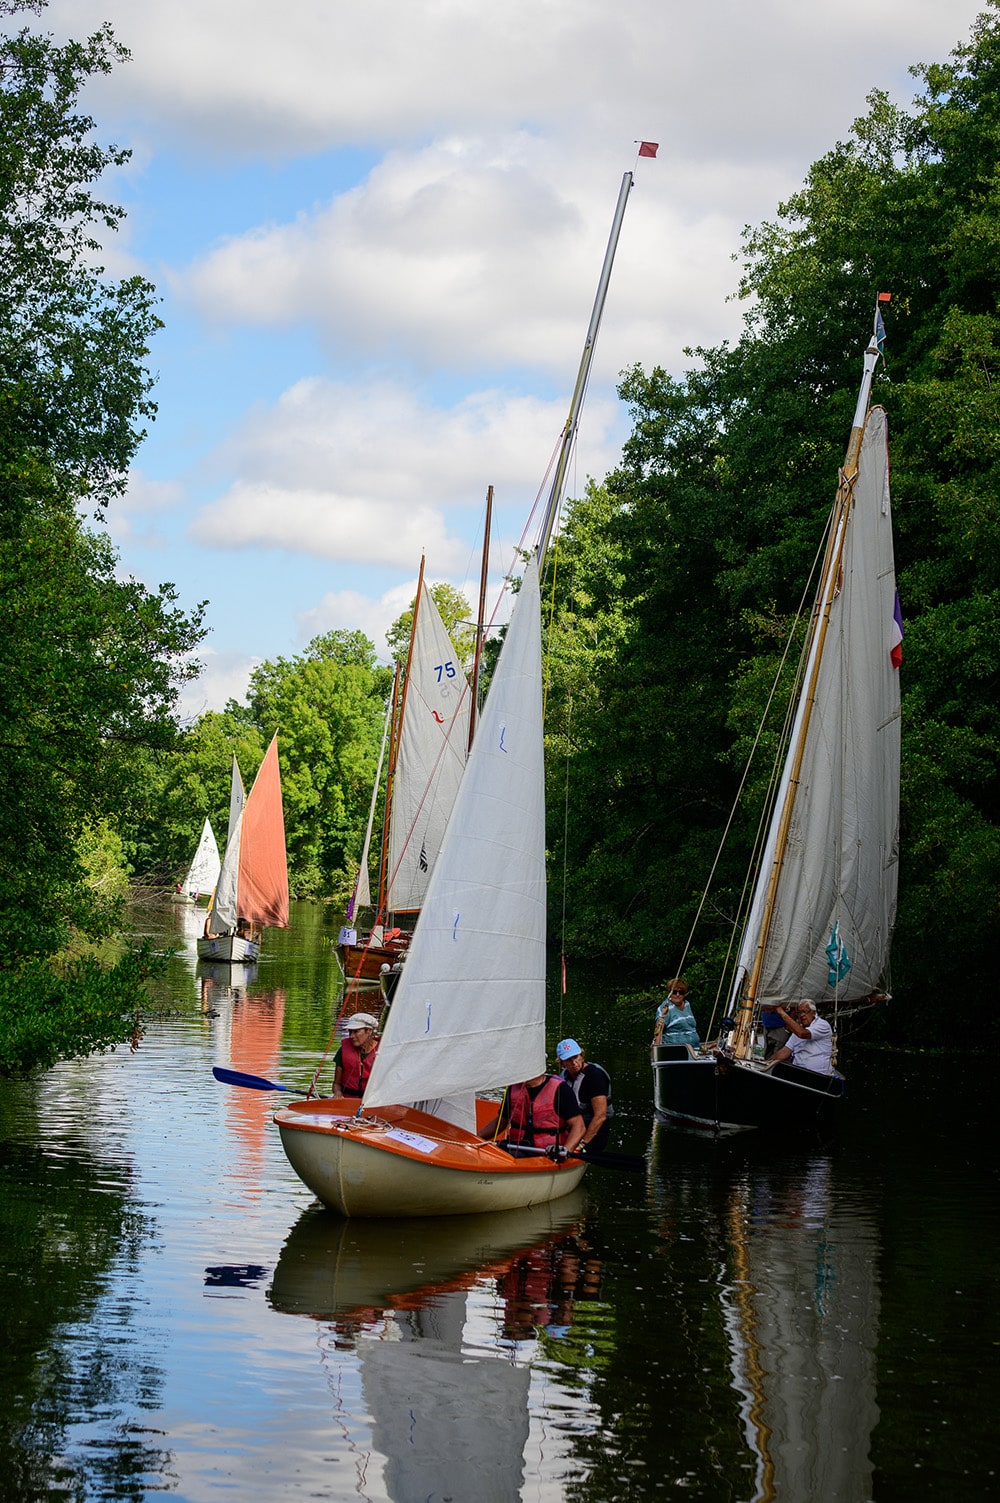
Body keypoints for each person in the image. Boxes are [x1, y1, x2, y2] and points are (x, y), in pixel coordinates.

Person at [479, 1072, 585, 1157]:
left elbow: (579, 1127)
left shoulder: (561, 1089)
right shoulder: (513, 1088)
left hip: (547, 1152)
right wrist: (475, 1138)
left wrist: (566, 1149)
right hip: (515, 1146)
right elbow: (501, 1121)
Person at [556, 1039, 612, 1153]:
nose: (574, 1063)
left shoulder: (595, 1076)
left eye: (575, 1057)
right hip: (573, 1127)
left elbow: (600, 1116)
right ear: (562, 1063)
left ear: (581, 1055)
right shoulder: (564, 1076)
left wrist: (581, 1144)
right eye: (568, 1060)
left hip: (594, 1130)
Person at [767, 999, 834, 1074]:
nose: (801, 1015)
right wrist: (766, 1063)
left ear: (814, 1013)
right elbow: (785, 1052)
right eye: (799, 1012)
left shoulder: (822, 1025)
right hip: (799, 1072)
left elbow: (802, 1034)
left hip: (818, 1075)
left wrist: (782, 1013)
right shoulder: (799, 1029)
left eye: (804, 1012)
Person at [330, 1012, 380, 1098]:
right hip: (347, 1101)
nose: (351, 1036)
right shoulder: (343, 1051)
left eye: (356, 1031)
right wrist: (338, 1092)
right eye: (350, 1032)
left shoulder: (383, 1052)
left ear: (369, 1031)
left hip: (372, 1102)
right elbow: (336, 1083)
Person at [653, 979, 700, 1047]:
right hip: (676, 1050)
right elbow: (658, 1030)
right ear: (669, 993)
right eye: (674, 992)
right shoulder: (666, 1007)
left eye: (681, 992)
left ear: (684, 994)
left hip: (695, 1048)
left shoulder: (687, 1004)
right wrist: (657, 1047)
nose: (677, 995)